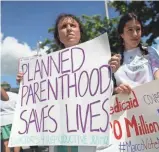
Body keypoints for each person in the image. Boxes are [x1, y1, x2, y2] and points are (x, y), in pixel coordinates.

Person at [16, 13, 121, 152]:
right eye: (63, 26)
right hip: (59, 129)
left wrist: (111, 71)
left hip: (88, 129)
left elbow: (103, 93)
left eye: (73, 25)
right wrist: (27, 82)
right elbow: (42, 98)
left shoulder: (99, 58)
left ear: (80, 31)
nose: (69, 29)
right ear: (58, 35)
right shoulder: (47, 67)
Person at [1, 87, 22, 152]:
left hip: (4, 121)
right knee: (16, 141)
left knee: (6, 143)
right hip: (15, 120)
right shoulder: (16, 95)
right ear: (9, 88)